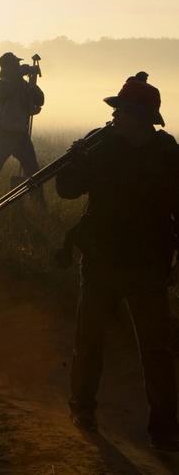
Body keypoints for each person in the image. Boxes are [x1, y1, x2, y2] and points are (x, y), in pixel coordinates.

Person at [55, 77, 179, 451]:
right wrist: (74, 160)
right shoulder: (101, 146)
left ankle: (164, 429)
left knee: (157, 352)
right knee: (89, 342)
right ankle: (82, 408)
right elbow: (66, 190)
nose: (114, 115)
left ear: (141, 118)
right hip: (101, 261)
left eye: (122, 110)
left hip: (150, 265)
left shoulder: (168, 153)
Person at [0, 52, 44, 199]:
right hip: (4, 134)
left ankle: (39, 203)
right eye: (15, 65)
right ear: (7, 68)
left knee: (33, 170)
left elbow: (39, 100)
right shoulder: (3, 84)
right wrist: (20, 78)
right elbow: (10, 94)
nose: (18, 67)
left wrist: (32, 85)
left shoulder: (21, 83)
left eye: (18, 64)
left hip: (20, 135)